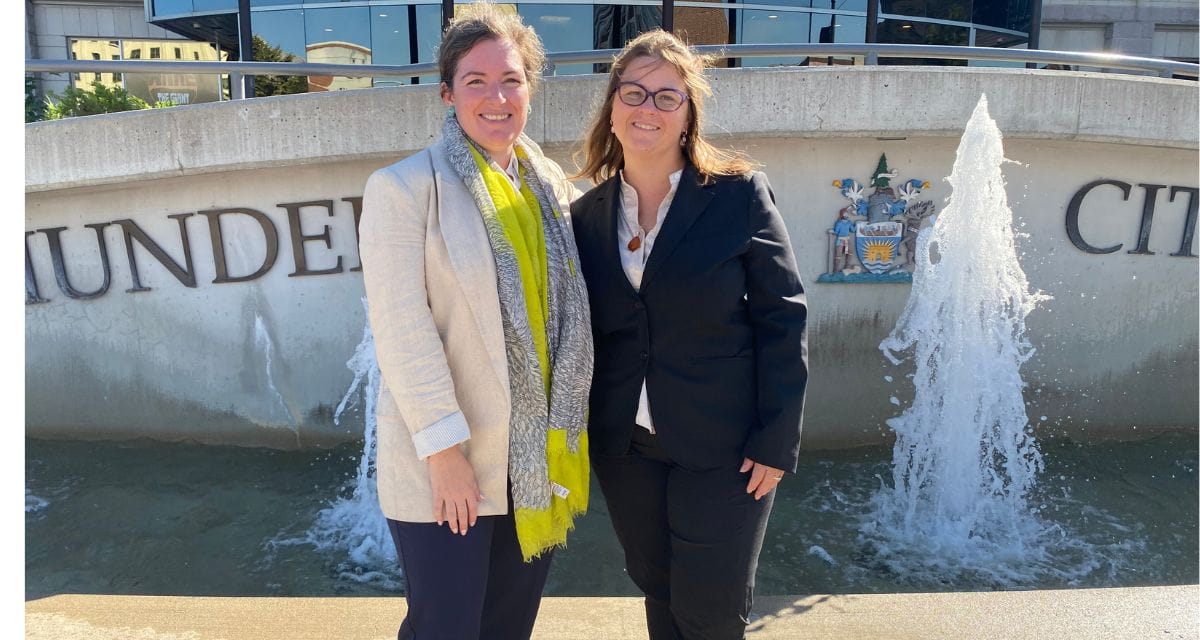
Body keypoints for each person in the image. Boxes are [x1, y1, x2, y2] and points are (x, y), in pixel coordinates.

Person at [357, 5, 592, 639]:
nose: (496, 97)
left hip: (531, 466)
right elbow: (402, 330)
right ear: (446, 93)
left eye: (511, 80)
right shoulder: (404, 189)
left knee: (508, 628)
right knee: (445, 629)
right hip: (449, 465)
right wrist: (444, 452)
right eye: (476, 81)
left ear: (531, 90)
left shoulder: (554, 189)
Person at [570, 30, 808, 640]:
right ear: (612, 107)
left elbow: (783, 314)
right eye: (634, 92)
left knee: (709, 613)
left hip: (727, 450)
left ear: (688, 114)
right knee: (660, 591)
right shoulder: (586, 215)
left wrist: (776, 437)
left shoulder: (737, 195)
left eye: (666, 97)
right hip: (627, 448)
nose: (647, 108)